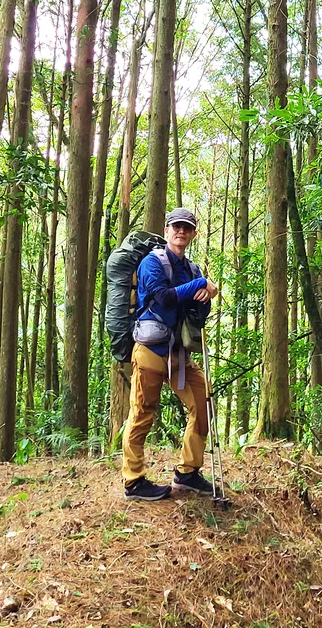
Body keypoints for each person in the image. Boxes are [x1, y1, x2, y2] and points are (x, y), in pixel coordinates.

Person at [122, 207, 218, 501]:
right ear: (166, 231)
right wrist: (202, 285)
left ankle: (188, 473)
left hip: (179, 354)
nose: (181, 232)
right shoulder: (152, 263)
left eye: (187, 228)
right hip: (151, 350)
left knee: (203, 402)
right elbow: (162, 296)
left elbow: (197, 313)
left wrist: (205, 298)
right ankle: (134, 481)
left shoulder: (192, 269)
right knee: (142, 413)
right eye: (176, 227)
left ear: (193, 234)